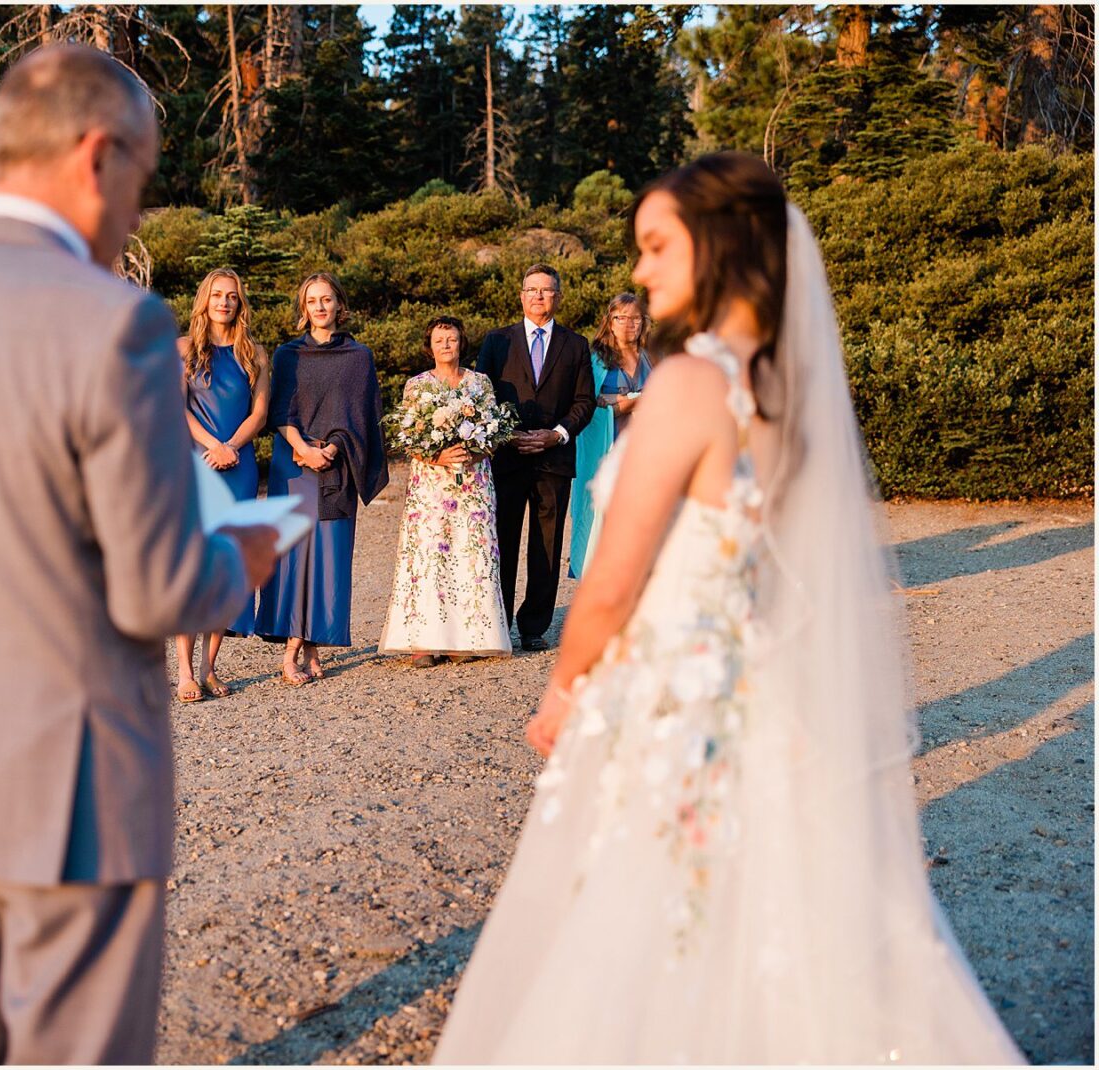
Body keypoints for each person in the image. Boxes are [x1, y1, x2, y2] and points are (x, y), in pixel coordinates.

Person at [435, 152, 1024, 1063]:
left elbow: (619, 574)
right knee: (772, 891)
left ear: (717, 244)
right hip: (769, 686)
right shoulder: (786, 388)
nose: (641, 271)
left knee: (647, 899)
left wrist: (562, 687)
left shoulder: (693, 382)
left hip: (680, 689)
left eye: (658, 246)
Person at [0, 45, 279, 1065]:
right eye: (142, 177)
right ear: (95, 156)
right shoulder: (113, 326)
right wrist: (242, 553)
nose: (134, 208)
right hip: (69, 786)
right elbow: (160, 585)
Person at [254, 272, 388, 685]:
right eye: (312, 301)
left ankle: (313, 643)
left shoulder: (358, 357)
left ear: (339, 305)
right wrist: (305, 448)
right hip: (293, 464)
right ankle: (293, 648)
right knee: (296, 556)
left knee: (328, 555)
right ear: (303, 308)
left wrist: (332, 448)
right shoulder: (287, 355)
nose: (320, 307)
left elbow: (364, 417)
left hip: (339, 466)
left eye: (326, 299)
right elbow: (279, 413)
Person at [475, 264, 596, 651]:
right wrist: (506, 435)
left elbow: (584, 401)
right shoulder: (497, 342)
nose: (538, 296)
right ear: (521, 295)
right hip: (507, 458)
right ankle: (498, 621)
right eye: (531, 289)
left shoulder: (575, 345)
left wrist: (556, 435)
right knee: (503, 541)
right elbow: (481, 397)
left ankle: (533, 627)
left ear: (558, 296)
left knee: (546, 545)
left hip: (553, 460)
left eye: (546, 290)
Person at [379, 316, 512, 667]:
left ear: (461, 342)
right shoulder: (417, 386)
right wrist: (436, 454)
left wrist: (473, 449)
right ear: (430, 345)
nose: (446, 346)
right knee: (430, 555)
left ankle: (466, 638)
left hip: (472, 484)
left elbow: (494, 433)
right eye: (439, 340)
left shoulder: (479, 384)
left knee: (468, 554)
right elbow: (408, 439)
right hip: (431, 486)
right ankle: (424, 640)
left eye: (451, 339)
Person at [174, 268, 271, 702]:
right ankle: (183, 673)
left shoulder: (255, 354)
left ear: (240, 302)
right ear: (205, 300)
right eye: (217, 295)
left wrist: (231, 446)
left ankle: (210, 669)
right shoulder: (181, 350)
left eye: (232, 296)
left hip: (240, 465)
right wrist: (214, 445)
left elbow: (260, 414)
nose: (224, 302)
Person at [567, 293, 653, 580]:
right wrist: (636, 400)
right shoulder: (596, 358)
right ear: (609, 321)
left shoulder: (649, 358)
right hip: (606, 452)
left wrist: (619, 400)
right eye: (621, 317)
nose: (628, 324)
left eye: (635, 318)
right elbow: (590, 404)